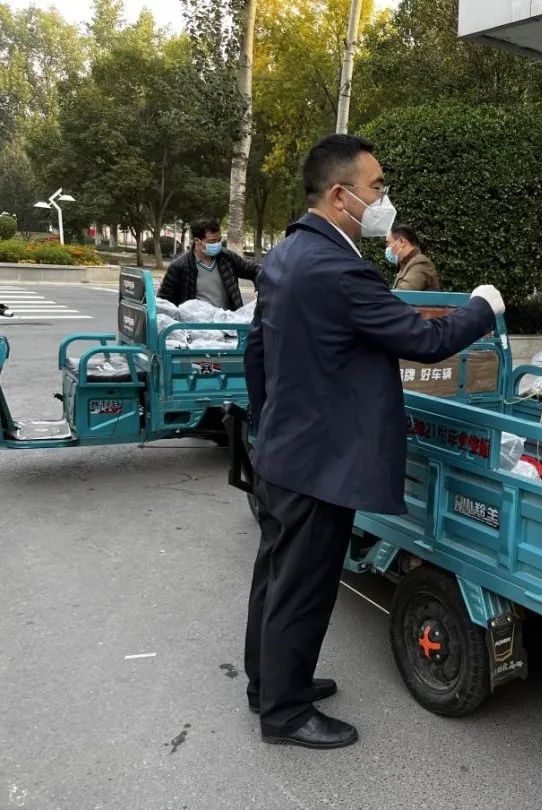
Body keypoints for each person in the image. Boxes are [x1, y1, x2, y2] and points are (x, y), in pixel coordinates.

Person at [243, 133, 504, 750]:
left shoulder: (286, 254)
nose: (384, 199)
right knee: (304, 587)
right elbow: (425, 341)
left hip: (284, 451)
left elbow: (256, 349)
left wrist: (267, 421)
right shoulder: (338, 270)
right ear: (341, 196)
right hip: (318, 463)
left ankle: (269, 683)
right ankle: (285, 713)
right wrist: (482, 307)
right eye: (377, 187)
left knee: (276, 576)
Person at [158, 217, 260, 311]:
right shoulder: (179, 266)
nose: (217, 244)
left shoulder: (227, 258)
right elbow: (163, 301)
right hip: (196, 323)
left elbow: (256, 270)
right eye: (212, 241)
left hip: (228, 321)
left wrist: (259, 288)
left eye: (219, 240)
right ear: (197, 241)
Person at [386, 224, 439, 291]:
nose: (387, 247)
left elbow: (403, 294)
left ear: (402, 242)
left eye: (388, 243)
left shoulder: (420, 263)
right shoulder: (406, 263)